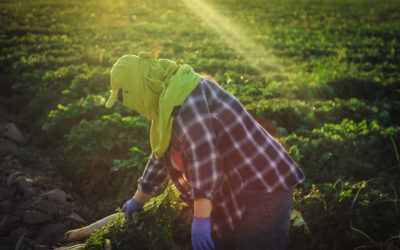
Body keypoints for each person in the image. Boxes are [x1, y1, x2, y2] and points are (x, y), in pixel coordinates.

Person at [105, 49, 305, 250]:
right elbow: (161, 154)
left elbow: (205, 161)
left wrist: (201, 221)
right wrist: (138, 201)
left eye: (123, 97)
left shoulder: (184, 98)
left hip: (263, 182)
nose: (128, 106)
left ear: (137, 87)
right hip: (238, 184)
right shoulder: (168, 99)